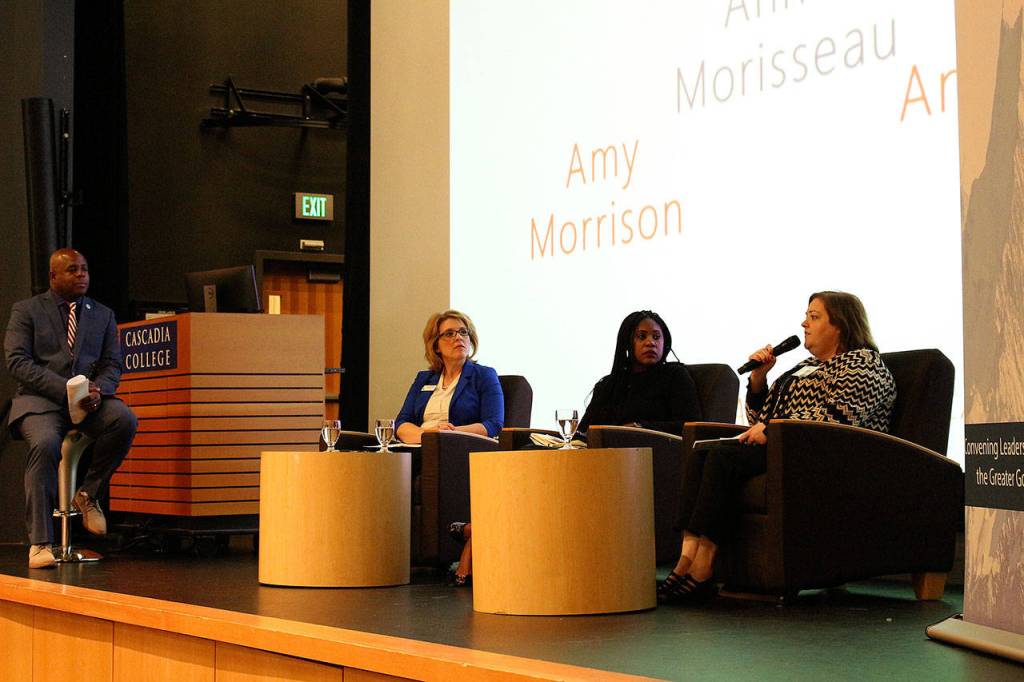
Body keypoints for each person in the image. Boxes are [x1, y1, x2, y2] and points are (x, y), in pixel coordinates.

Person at [659, 291, 896, 604]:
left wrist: (771, 430)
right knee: (704, 451)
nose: (804, 323)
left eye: (814, 316)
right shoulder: (803, 368)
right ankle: (686, 558)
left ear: (840, 325)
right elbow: (760, 419)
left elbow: (836, 421)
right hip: (787, 450)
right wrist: (759, 380)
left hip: (827, 459)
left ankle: (704, 567)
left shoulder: (863, 366)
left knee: (723, 459)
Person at [4, 248, 138, 568]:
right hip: (40, 402)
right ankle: (40, 543)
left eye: (85, 270)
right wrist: (64, 390)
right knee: (46, 444)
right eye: (72, 270)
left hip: (87, 403)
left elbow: (112, 365)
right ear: (53, 276)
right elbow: (17, 362)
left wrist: (99, 390)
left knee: (124, 419)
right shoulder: (27, 310)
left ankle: (88, 494)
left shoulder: (102, 314)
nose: (81, 275)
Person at [394, 310, 503, 586]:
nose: (459, 338)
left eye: (463, 332)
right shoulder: (424, 379)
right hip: (422, 445)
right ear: (435, 344)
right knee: (385, 466)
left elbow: (493, 424)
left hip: (457, 451)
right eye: (450, 333)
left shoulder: (483, 376)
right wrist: (425, 435)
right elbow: (402, 422)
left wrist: (452, 433)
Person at [577, 310, 702, 438]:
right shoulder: (608, 385)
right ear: (627, 342)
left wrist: (640, 428)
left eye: (656, 337)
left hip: (659, 454)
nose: (651, 343)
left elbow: (692, 427)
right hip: (608, 455)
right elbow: (582, 434)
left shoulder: (675, 376)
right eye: (642, 337)